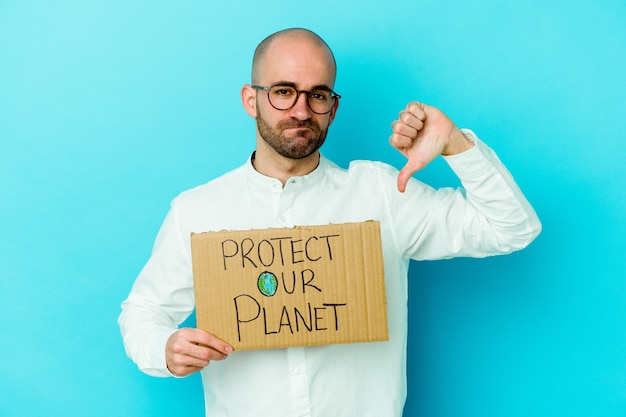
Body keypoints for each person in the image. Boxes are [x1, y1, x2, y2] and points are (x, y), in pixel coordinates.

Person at [119, 28, 541, 416]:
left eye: (318, 95)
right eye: (284, 91)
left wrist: (455, 144)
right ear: (251, 99)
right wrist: (166, 349)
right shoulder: (197, 210)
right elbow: (142, 313)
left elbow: (512, 227)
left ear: (333, 108)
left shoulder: (382, 194)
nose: (301, 110)